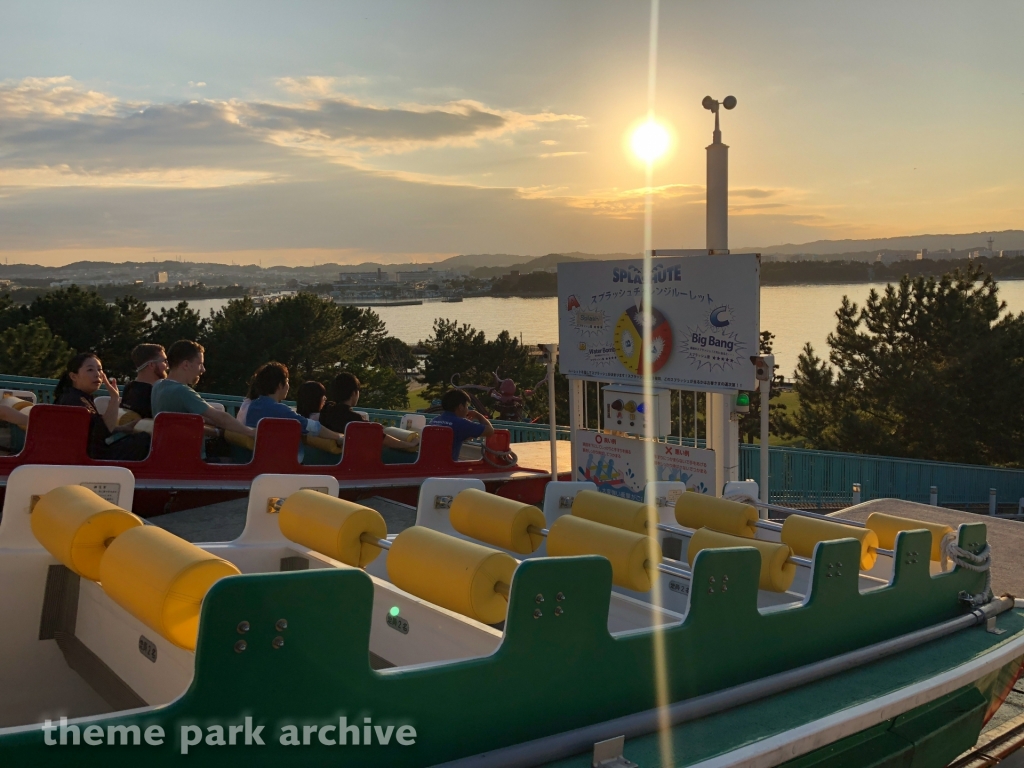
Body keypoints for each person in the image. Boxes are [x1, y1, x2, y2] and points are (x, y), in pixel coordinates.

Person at [53, 352, 151, 460]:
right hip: (90, 458)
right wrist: (114, 399)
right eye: (90, 370)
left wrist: (122, 428)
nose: (97, 374)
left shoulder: (77, 397)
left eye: (99, 370)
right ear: (73, 376)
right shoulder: (74, 401)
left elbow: (93, 430)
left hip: (91, 454)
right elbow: (103, 432)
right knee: (144, 441)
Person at [151, 340, 254, 438]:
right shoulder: (182, 391)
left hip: (165, 447)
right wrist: (250, 431)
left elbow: (190, 420)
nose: (203, 370)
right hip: (186, 450)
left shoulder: (158, 386)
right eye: (199, 364)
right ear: (186, 365)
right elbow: (220, 417)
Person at [243, 363, 343, 443]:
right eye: (287, 381)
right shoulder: (280, 411)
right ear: (280, 385)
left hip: (259, 457)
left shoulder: (253, 406)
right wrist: (339, 436)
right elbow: (313, 428)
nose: (288, 386)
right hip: (281, 460)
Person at [319, 372, 419, 452]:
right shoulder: (353, 420)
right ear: (354, 393)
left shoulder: (326, 411)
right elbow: (380, 438)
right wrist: (409, 444)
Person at [430, 388, 494, 460]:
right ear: (461, 407)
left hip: (431, 464)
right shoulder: (462, 424)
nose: (467, 409)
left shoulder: (434, 420)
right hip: (448, 466)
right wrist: (478, 415)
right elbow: (490, 431)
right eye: (466, 406)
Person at [120, 343, 167, 419]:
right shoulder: (156, 394)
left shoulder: (129, 388)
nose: (167, 366)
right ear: (151, 365)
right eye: (164, 361)